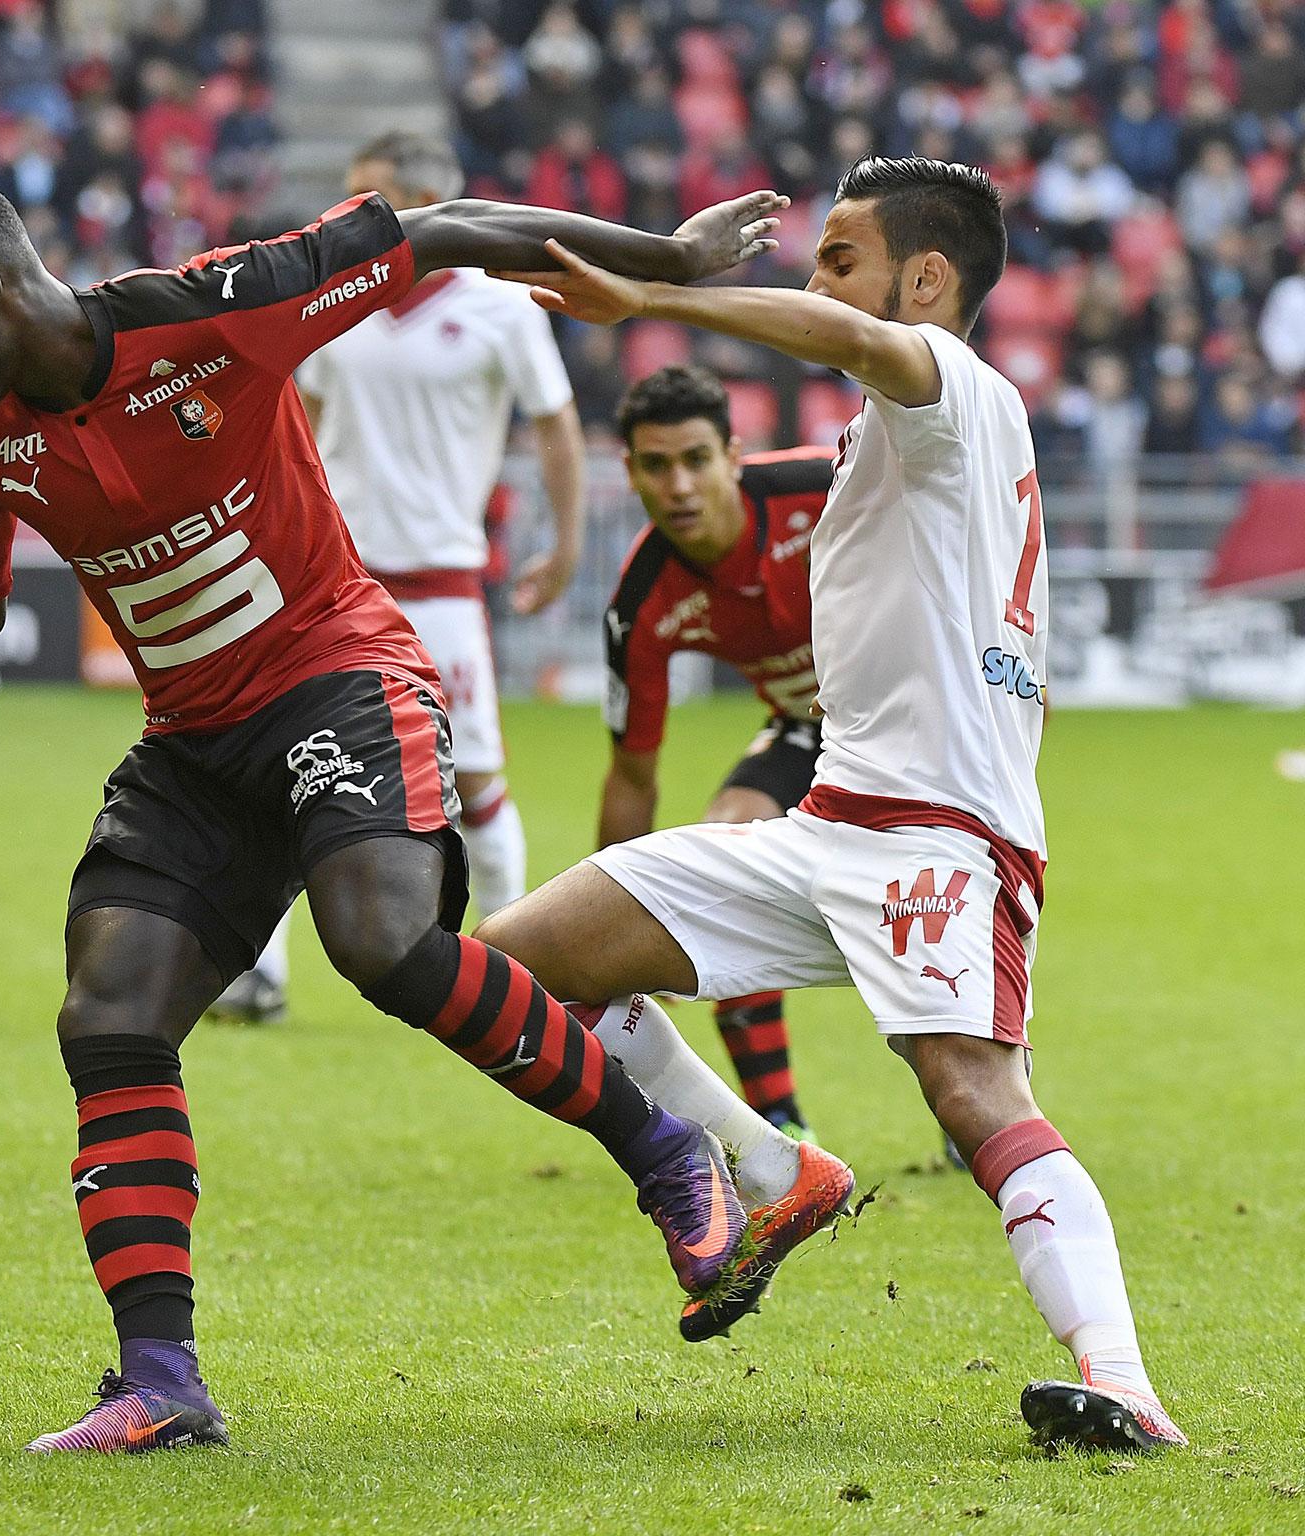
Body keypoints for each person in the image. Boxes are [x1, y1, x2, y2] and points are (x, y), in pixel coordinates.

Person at [0, 172, 802, 1454]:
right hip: (193, 745)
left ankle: (665, 1157)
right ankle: (160, 1381)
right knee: (110, 1008)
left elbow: (436, 229)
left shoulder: (207, 314)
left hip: (333, 678)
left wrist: (665, 256)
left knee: (379, 943)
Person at [483, 156, 1185, 1452]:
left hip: (942, 831)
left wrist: (654, 292)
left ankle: (1123, 1380)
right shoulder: (886, 430)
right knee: (509, 971)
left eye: (839, 256)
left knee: (967, 1088)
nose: (817, 282)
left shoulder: (955, 391)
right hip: (827, 820)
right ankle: (765, 1165)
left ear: (927, 279)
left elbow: (860, 340)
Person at [211, 130, 587, 1025]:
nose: (352, 216)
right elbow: (292, 420)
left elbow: (557, 425)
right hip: (330, 584)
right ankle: (259, 974)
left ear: (422, 202)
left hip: (444, 581)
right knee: (292, 771)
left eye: (370, 196)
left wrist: (567, 545)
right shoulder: (333, 302)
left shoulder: (501, 308)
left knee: (481, 778)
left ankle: (525, 958)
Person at [599, 365, 834, 1140]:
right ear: (630, 472)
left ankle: (975, 1110)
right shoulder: (642, 601)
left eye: (696, 459)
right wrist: (619, 923)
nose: (680, 485)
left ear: (735, 454)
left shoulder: (825, 485)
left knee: (936, 915)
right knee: (728, 867)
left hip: (918, 729)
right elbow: (633, 772)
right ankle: (781, 1130)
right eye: (657, 465)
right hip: (811, 732)